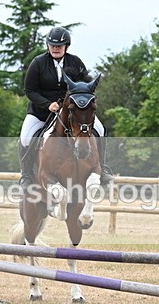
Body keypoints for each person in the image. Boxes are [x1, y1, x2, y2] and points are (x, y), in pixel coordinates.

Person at [18, 26, 114, 188]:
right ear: (48, 46)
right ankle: (26, 174)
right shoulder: (38, 63)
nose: (56, 48)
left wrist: (78, 103)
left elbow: (86, 86)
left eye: (59, 46)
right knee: (26, 136)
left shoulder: (75, 62)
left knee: (100, 129)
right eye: (52, 45)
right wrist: (48, 105)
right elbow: (30, 90)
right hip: (41, 111)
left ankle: (102, 168)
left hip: (72, 111)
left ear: (66, 46)